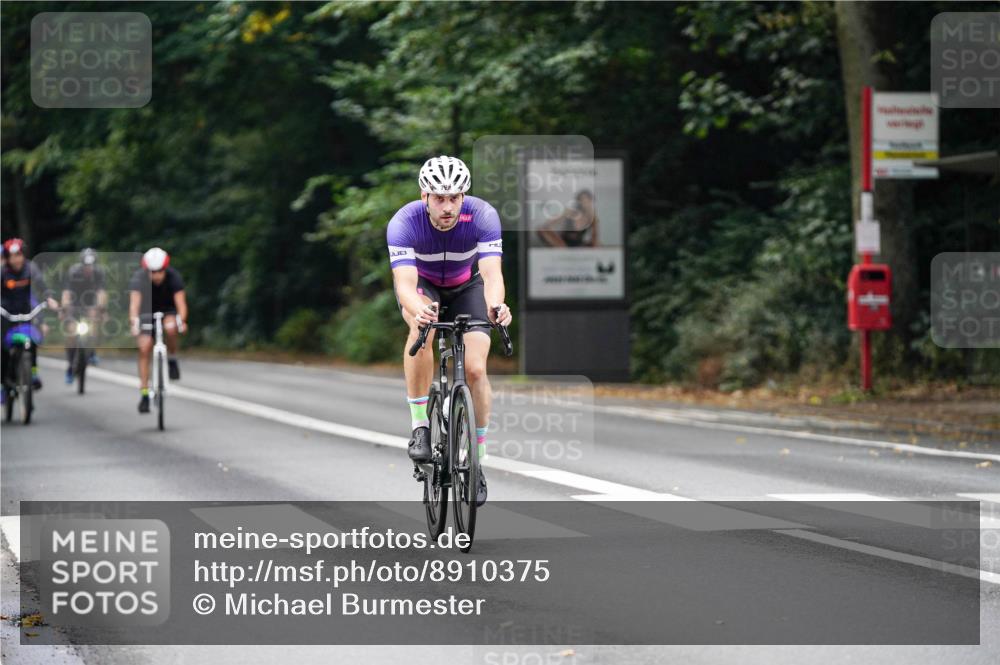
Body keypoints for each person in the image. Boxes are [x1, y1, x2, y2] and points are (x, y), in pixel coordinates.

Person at [386, 155, 512, 507]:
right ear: (424, 196)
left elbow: (492, 274)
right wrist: (419, 310)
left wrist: (496, 306)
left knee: (475, 369)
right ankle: (420, 427)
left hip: (467, 287)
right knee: (422, 331)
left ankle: (477, 459)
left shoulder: (483, 215)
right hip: (424, 287)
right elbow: (405, 284)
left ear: (463, 196)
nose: (447, 206)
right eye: (439, 198)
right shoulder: (404, 222)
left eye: (454, 198)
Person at [128, 247, 187, 414]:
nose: (157, 276)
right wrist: (134, 322)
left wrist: (181, 321)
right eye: (153, 272)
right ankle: (144, 394)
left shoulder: (174, 277)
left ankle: (172, 358)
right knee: (144, 347)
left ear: (165, 268)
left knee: (171, 328)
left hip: (167, 311)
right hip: (146, 313)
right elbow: (134, 305)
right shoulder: (139, 278)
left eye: (160, 271)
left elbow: (181, 305)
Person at [1, 238, 59, 395]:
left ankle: (32, 372)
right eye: (12, 256)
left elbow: (42, 286)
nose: (16, 259)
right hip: (6, 312)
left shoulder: (30, 268)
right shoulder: (3, 272)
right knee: (3, 348)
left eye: (18, 255)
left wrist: (49, 299)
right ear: (7, 258)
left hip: (26, 311)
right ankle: (2, 384)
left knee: (32, 341)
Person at [61, 248, 108, 383]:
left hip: (90, 303)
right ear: (82, 265)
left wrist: (102, 309)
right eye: (86, 266)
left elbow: (101, 293)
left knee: (94, 319)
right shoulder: (73, 272)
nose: (89, 268)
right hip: (75, 303)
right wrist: (64, 309)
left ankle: (91, 351)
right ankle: (70, 366)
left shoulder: (99, 273)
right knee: (71, 332)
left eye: (91, 265)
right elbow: (66, 293)